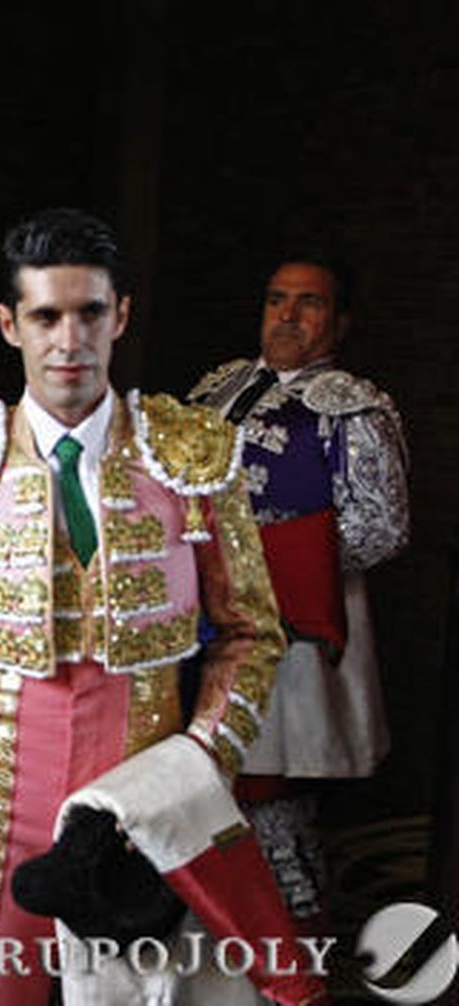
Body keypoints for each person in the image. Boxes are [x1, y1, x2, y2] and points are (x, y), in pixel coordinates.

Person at [0, 207, 285, 1005]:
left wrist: (195, 769)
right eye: (46, 316)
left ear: (120, 316)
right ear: (10, 324)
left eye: (89, 313)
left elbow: (252, 633)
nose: (69, 341)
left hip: (147, 805)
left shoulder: (190, 456)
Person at [189, 254, 410, 924]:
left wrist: (261, 565)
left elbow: (382, 525)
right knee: (202, 777)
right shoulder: (216, 390)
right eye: (276, 298)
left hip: (292, 625)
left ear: (338, 321)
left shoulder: (355, 407)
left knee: (269, 781)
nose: (287, 315)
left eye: (308, 303)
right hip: (197, 617)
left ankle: (289, 940)